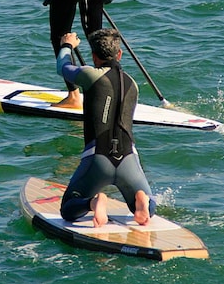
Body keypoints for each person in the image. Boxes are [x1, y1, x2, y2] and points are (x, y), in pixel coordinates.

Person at [55, 29, 156, 227]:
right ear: (119, 54)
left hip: (97, 158)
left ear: (94, 56)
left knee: (68, 209)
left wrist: (67, 45)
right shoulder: (133, 84)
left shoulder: (90, 75)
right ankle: (142, 201)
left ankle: (93, 202)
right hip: (128, 157)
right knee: (148, 208)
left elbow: (62, 67)